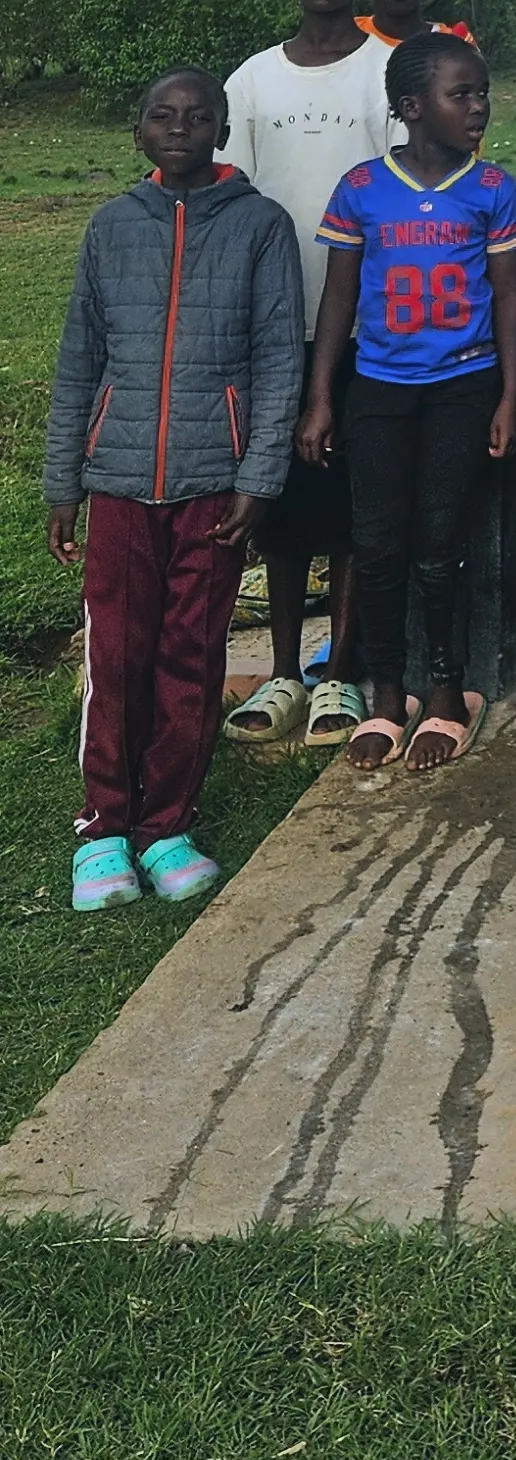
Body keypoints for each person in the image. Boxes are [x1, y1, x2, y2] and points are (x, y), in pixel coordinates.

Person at [45, 69, 302, 911]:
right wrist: (63, 484)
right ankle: (104, 828)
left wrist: (258, 476)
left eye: (199, 117)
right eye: (163, 115)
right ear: (139, 131)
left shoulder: (262, 227)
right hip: (117, 482)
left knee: (191, 654)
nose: (181, 127)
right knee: (117, 655)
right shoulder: (111, 227)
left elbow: (277, 361)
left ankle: (167, 828)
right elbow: (80, 360)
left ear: (223, 131)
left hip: (212, 486)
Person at [301, 33, 516, 775]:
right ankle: (387, 693)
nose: (478, 106)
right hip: (379, 388)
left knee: (441, 546)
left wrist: (510, 397)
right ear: (411, 107)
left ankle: (444, 690)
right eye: (460, 94)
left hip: (461, 389)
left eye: (480, 92)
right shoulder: (363, 189)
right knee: (377, 544)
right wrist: (320, 399)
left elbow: (507, 300)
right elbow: (339, 298)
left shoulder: (493, 189)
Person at [220, 0, 393, 751]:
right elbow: (233, 202)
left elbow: (403, 194)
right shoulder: (251, 82)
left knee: (356, 507)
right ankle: (285, 670)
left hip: (372, 333)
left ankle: (341, 675)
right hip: (274, 331)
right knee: (284, 506)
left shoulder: (390, 72)